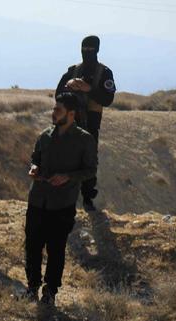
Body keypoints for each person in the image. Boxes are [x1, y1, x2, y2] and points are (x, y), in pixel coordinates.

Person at [22, 94, 97, 307]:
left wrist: (68, 177)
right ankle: (32, 287)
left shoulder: (85, 140)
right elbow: (35, 158)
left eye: (58, 110)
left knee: (56, 248)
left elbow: (91, 170)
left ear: (71, 114)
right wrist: (34, 168)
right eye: (54, 109)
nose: (53, 113)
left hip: (62, 204)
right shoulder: (44, 136)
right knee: (32, 246)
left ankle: (50, 292)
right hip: (37, 200)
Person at [56, 36, 115, 211]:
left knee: (88, 162)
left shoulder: (104, 73)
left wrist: (89, 89)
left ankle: (88, 198)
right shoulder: (73, 71)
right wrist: (70, 86)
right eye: (84, 49)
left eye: (90, 50)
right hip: (71, 123)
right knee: (67, 159)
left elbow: (108, 98)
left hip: (91, 123)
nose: (86, 53)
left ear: (97, 50)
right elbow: (58, 94)